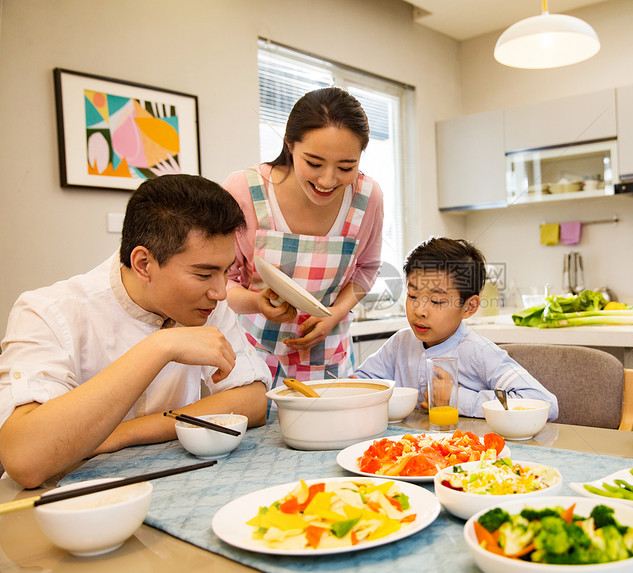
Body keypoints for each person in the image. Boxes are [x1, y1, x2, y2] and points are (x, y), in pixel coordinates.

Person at [0, 175, 273, 488]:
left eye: (225, 271)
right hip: (62, 504)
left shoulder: (206, 304)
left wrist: (123, 434)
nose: (221, 292)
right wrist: (160, 347)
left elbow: (252, 400)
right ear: (143, 263)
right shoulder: (48, 311)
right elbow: (25, 460)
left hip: (164, 485)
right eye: (203, 273)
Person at [223, 87, 383, 385]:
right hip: (249, 353)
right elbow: (223, 280)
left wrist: (334, 314)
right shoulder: (245, 189)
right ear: (289, 144)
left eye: (347, 167)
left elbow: (367, 270)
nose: (328, 180)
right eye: (314, 163)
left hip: (326, 357)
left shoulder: (367, 197)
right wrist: (258, 303)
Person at [354, 237, 559, 421]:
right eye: (413, 296)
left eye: (436, 301)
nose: (420, 310)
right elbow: (361, 383)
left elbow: (544, 403)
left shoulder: (477, 351)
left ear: (469, 307)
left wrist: (457, 398)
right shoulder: (401, 343)